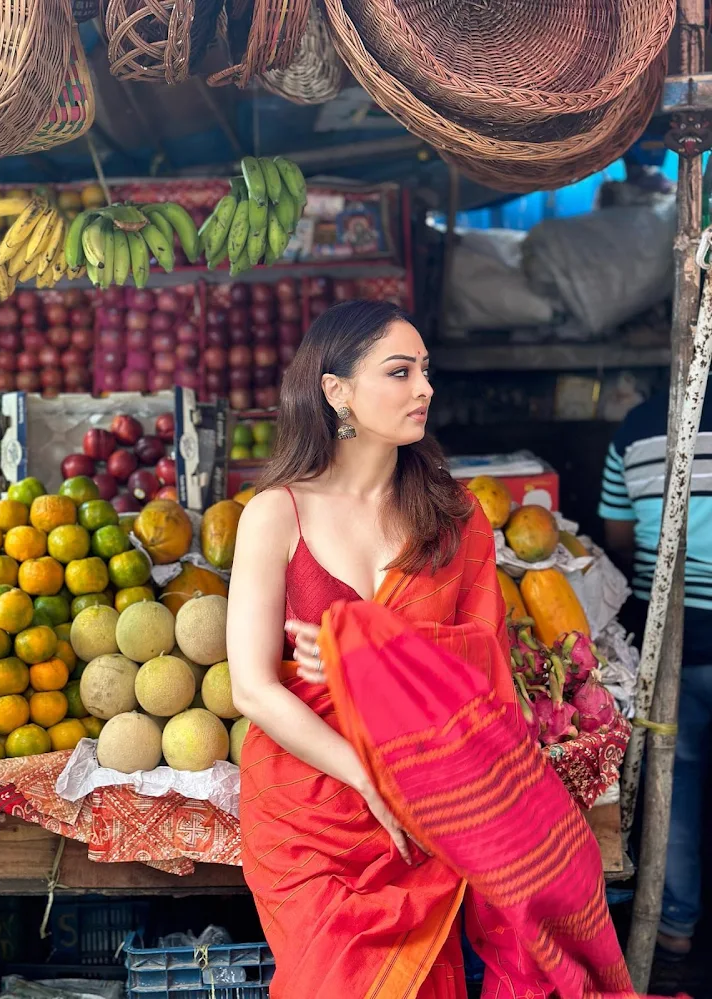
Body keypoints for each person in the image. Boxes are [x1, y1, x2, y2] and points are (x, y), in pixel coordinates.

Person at [228, 300, 638, 999]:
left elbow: (485, 666)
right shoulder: (275, 512)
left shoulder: (455, 516)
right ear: (336, 390)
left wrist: (371, 657)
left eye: (425, 370)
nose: (424, 388)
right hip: (311, 810)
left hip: (431, 796)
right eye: (400, 372)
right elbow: (252, 687)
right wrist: (368, 777)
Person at [599, 388, 712, 960]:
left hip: (672, 635)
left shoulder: (636, 428)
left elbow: (619, 541)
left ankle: (675, 924)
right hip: (675, 641)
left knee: (678, 780)